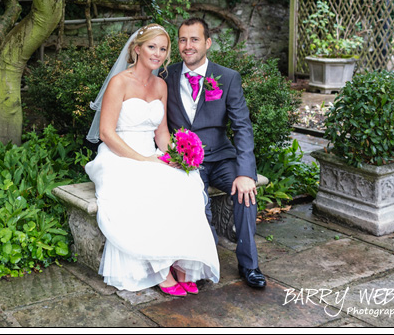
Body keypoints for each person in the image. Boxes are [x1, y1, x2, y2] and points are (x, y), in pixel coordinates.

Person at [85, 23, 220, 296]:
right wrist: (143, 160)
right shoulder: (119, 82)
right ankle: (160, 270)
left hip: (151, 153)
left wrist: (178, 158)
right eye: (151, 47)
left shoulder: (160, 85)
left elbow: (162, 134)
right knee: (150, 184)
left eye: (163, 48)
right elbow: (106, 133)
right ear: (137, 49)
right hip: (118, 155)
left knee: (187, 182)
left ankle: (182, 262)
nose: (157, 53)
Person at [163, 17, 266, 289]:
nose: (188, 46)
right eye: (183, 40)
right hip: (185, 163)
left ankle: (249, 265)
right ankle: (205, 263)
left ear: (207, 42)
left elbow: (242, 127)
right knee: (199, 204)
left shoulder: (228, 78)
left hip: (222, 158)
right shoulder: (166, 76)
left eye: (194, 39)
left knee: (246, 194)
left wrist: (245, 172)